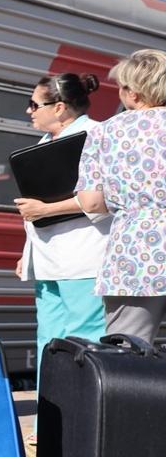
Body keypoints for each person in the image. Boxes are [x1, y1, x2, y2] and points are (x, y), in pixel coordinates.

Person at [14, 74, 110, 444]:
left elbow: (101, 198)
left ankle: (84, 428)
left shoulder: (97, 135)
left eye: (34, 104)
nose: (29, 111)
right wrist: (28, 254)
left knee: (85, 342)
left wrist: (45, 207)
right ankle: (49, 426)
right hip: (50, 258)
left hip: (85, 257)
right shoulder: (44, 141)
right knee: (49, 343)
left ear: (59, 107)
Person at [76, 49, 166, 343]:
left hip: (133, 253)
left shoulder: (105, 132)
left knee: (128, 356)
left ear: (135, 94)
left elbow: (90, 202)